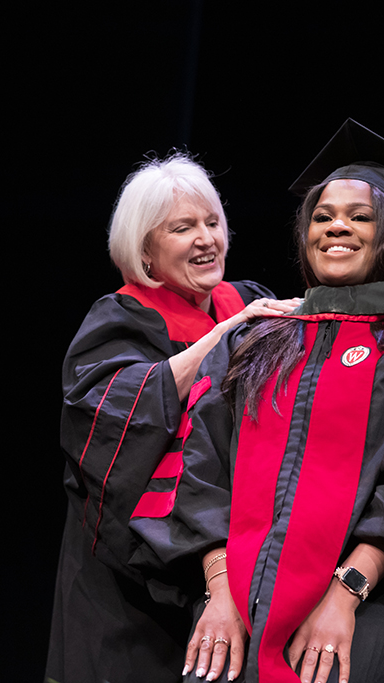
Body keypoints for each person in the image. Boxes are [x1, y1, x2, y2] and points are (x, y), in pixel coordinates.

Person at [131, 121, 384, 683]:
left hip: (366, 612)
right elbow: (199, 470)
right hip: (234, 608)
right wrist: (219, 594)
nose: (337, 225)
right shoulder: (257, 340)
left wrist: (345, 595)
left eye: (361, 217)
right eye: (322, 215)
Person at [47, 153, 298, 683]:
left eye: (212, 223)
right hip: (127, 580)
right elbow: (107, 420)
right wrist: (223, 339)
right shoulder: (119, 318)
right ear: (144, 250)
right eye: (183, 228)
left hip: (228, 551)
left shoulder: (246, 303)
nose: (206, 238)